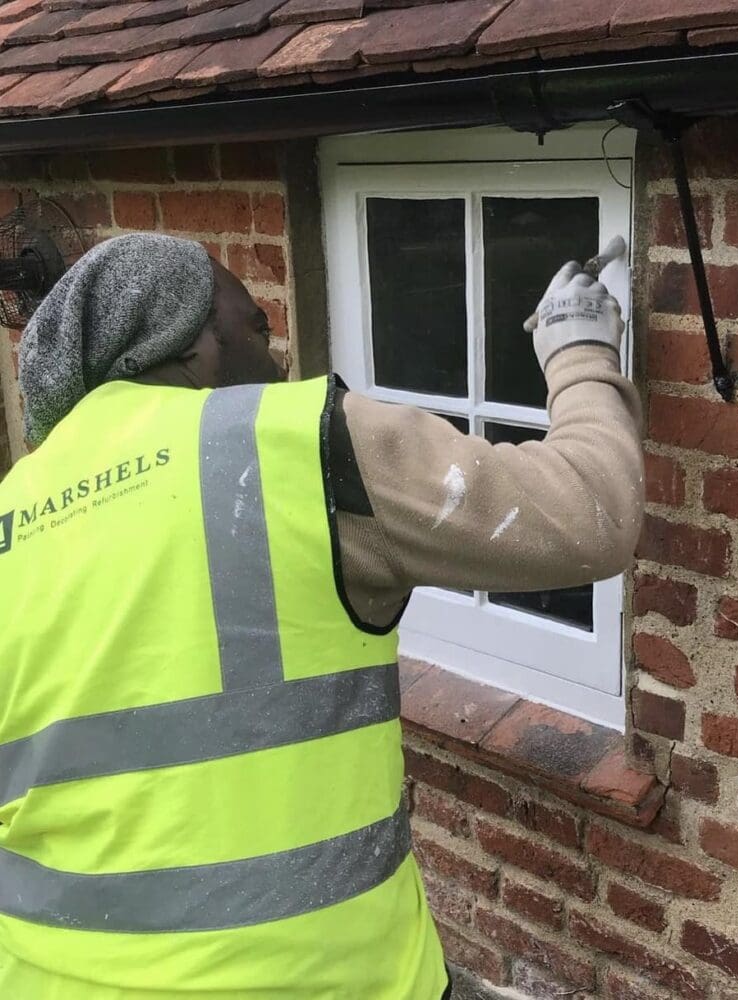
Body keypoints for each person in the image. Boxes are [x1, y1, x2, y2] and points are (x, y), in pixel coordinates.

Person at [0, 233, 642, 1000]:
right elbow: (588, 513)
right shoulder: (292, 442)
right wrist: (580, 353)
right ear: (189, 343)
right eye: (256, 329)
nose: (278, 360)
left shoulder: (14, 513)